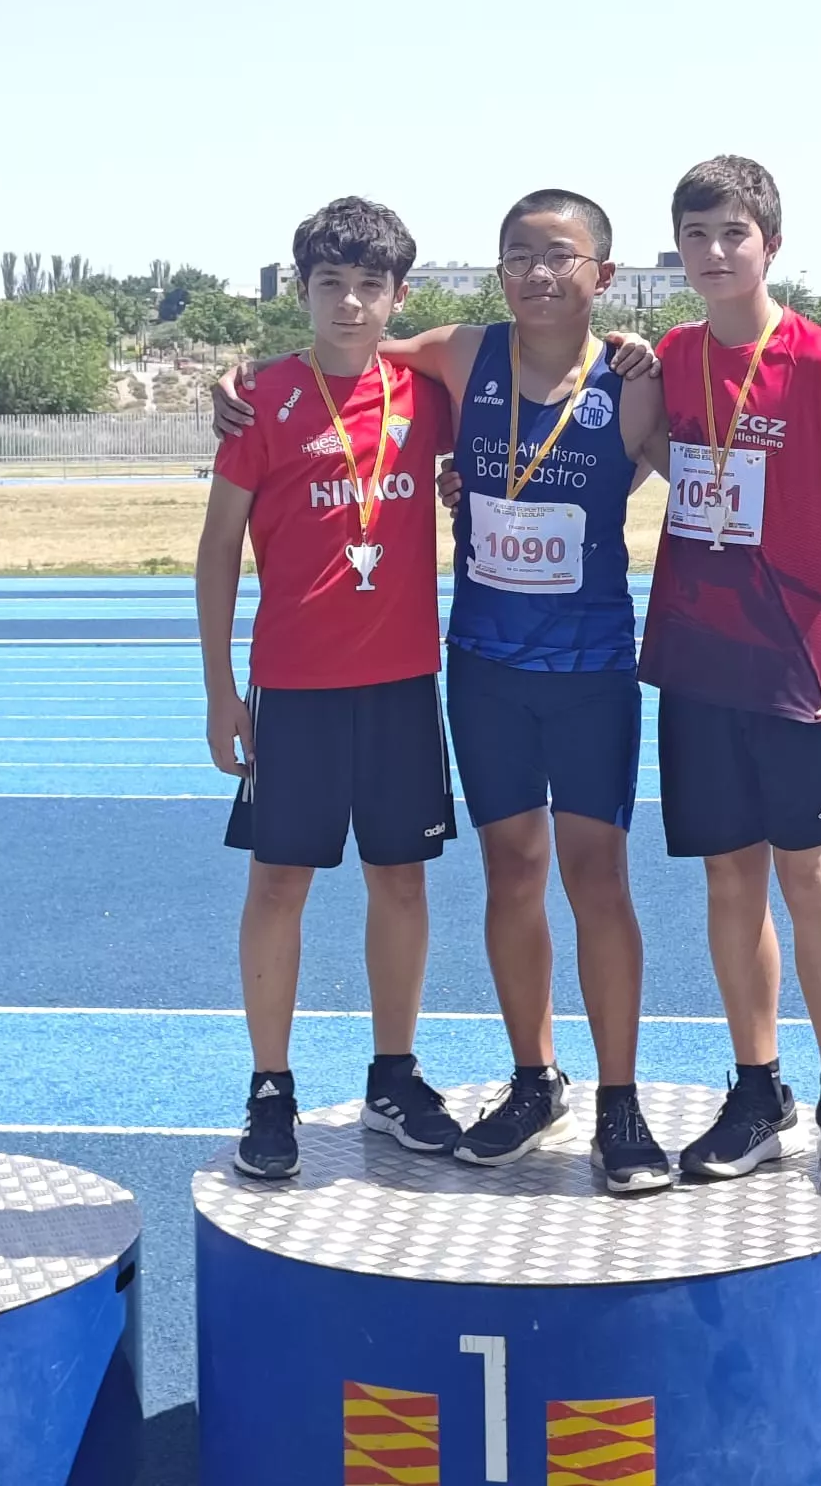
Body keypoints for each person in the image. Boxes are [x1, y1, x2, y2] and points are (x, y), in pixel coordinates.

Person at [215, 189, 671, 1193]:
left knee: (594, 877)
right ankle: (527, 1075)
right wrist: (235, 380)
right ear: (498, 268)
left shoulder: (638, 381)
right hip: (478, 668)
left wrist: (644, 342)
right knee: (509, 872)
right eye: (520, 254)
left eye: (563, 256)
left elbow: (693, 469)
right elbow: (355, 350)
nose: (540, 273)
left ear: (601, 271)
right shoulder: (460, 358)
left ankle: (620, 1101)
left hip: (589, 669)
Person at [638, 155, 821, 1190]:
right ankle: (758, 1089)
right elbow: (677, 460)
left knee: (811, 877)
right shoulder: (667, 354)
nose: (713, 254)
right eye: (696, 235)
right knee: (728, 878)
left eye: (732, 235)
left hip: (803, 670)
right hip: (698, 663)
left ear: (770, 244)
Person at [195, 196, 461, 1181]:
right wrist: (222, 689)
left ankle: (394, 1072)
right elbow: (219, 548)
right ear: (301, 289)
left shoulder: (424, 390)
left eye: (369, 285)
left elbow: (534, 349)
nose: (350, 303)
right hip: (294, 685)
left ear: (397, 295)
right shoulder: (261, 398)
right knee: (278, 882)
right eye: (330, 284)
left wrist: (632, 347)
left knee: (403, 877)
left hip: (401, 683)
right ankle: (271, 1085)